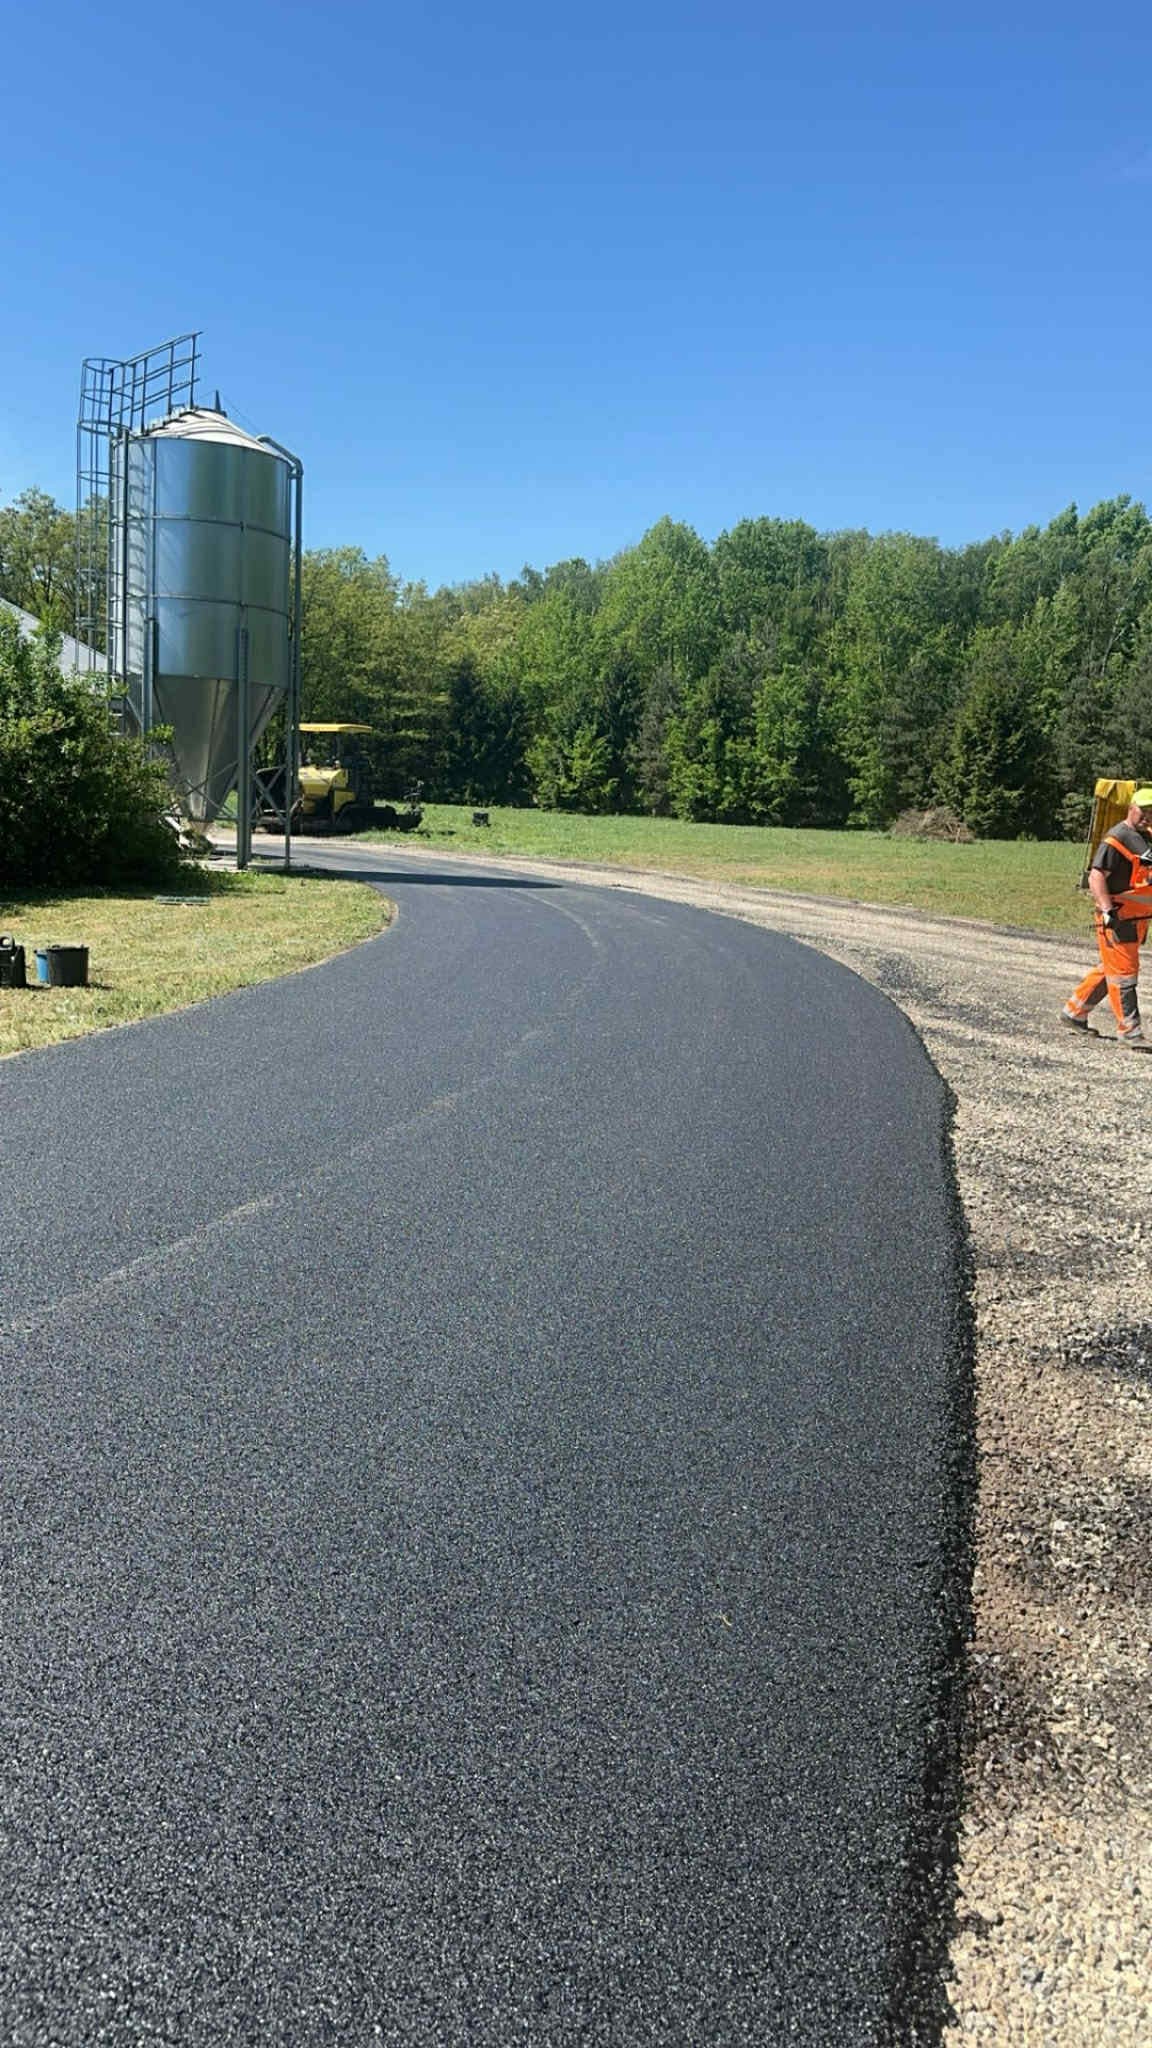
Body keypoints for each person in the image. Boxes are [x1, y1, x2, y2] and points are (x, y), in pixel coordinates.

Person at [1062, 787, 1152, 1050]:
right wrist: (1106, 910)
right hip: (1117, 918)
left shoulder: (1145, 837)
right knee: (1124, 975)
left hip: (1137, 919)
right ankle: (1130, 1032)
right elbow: (1096, 876)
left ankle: (1074, 1013)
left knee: (1111, 969)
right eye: (1143, 811)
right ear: (1130, 809)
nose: (1147, 816)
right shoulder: (1116, 838)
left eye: (1151, 812)